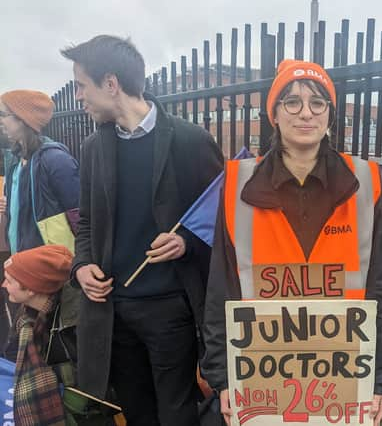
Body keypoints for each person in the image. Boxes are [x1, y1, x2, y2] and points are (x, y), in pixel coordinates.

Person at [200, 59, 382, 426]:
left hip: (344, 373)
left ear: (330, 114)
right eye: (291, 101)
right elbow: (221, 288)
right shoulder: (236, 184)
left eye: (317, 102)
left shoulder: (365, 182)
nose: (305, 113)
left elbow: (381, 286)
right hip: (262, 375)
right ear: (274, 113)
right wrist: (223, 376)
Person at [61, 35, 224, 425]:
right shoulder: (92, 148)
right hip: (112, 312)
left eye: (82, 85)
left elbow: (221, 219)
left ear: (111, 84)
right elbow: (86, 225)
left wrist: (184, 241)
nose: (78, 96)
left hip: (171, 310)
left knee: (177, 414)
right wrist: (81, 267)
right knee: (136, 413)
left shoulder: (191, 141)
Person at [0, 89, 80, 362]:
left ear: (23, 119)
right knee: (28, 342)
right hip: (24, 267)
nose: (2, 122)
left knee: (51, 344)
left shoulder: (55, 160)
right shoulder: (15, 162)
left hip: (49, 272)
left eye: (5, 115)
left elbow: (78, 215)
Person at [2, 244, 73, 426]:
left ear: (31, 288)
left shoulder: (70, 325)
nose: (3, 285)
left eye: (9, 281)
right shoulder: (25, 317)